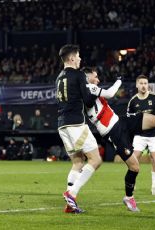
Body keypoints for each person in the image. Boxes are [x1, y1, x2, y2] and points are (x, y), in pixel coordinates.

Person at [83, 68, 155, 210]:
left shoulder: (88, 89)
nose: (98, 80)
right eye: (95, 77)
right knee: (134, 167)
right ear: (87, 77)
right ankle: (129, 197)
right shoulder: (88, 88)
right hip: (113, 132)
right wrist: (119, 80)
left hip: (120, 122)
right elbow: (109, 93)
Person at [55, 44, 102, 214]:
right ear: (72, 58)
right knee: (96, 160)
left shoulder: (59, 77)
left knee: (77, 162)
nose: (80, 59)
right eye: (79, 56)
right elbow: (88, 101)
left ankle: (70, 205)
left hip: (62, 125)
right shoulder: (79, 74)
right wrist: (95, 91)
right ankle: (71, 194)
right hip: (76, 124)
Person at [127, 75, 155, 195]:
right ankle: (132, 183)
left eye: (145, 83)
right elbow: (129, 119)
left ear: (148, 85)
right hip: (140, 134)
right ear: (137, 85)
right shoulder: (133, 101)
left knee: (154, 158)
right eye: (141, 83)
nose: (144, 85)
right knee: (134, 158)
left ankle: (154, 187)